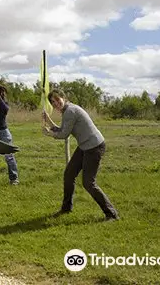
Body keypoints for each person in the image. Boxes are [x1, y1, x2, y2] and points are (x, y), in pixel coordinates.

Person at [42, 89, 119, 221]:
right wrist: (49, 122)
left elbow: (64, 135)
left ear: (63, 97)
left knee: (88, 183)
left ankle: (111, 214)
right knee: (69, 174)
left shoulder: (70, 111)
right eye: (53, 102)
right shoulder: (68, 110)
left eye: (57, 100)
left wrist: (49, 133)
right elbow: (63, 129)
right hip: (84, 146)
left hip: (94, 147)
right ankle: (66, 208)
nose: (56, 104)